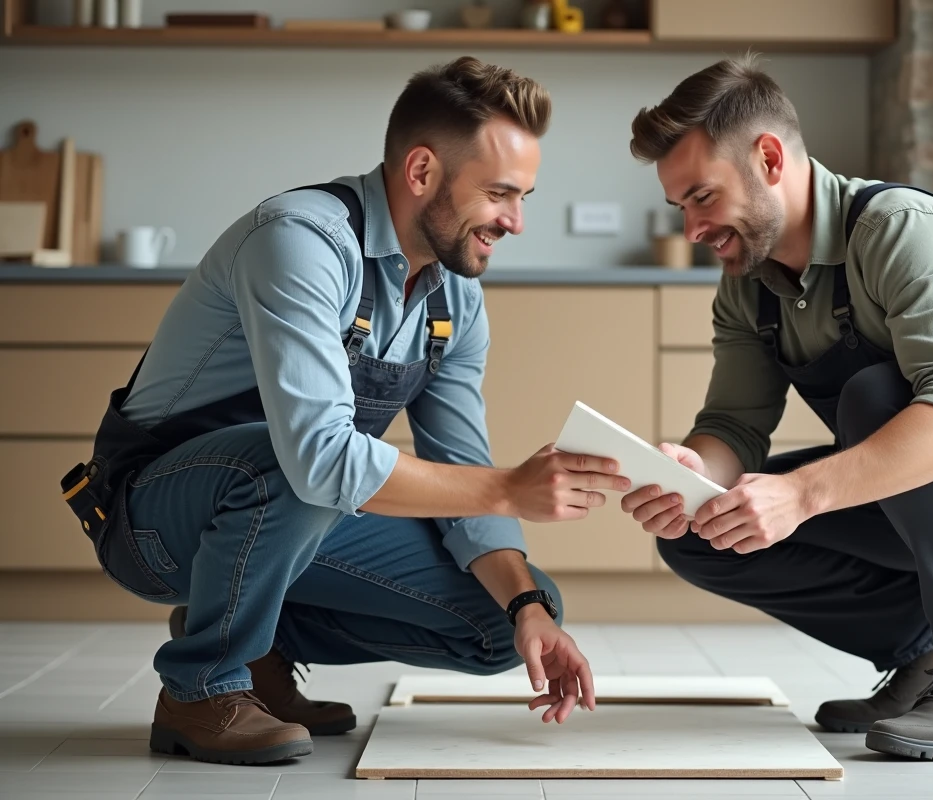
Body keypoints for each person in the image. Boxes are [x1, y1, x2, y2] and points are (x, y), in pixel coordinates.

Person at [59, 57, 623, 766]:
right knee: (296, 463)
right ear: (421, 172)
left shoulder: (454, 299)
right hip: (153, 518)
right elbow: (321, 458)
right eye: (500, 194)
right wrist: (511, 486)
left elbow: (461, 472)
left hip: (292, 506)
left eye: (524, 196)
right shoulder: (299, 241)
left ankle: (262, 648)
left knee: (505, 613)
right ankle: (200, 687)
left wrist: (527, 609)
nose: (515, 221)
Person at [620, 55, 933, 761]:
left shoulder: (899, 229)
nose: (693, 227)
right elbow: (734, 427)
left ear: (769, 158)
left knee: (880, 397)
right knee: (702, 528)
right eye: (680, 207)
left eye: (702, 197)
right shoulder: (748, 285)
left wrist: (800, 493)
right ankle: (925, 654)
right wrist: (691, 473)